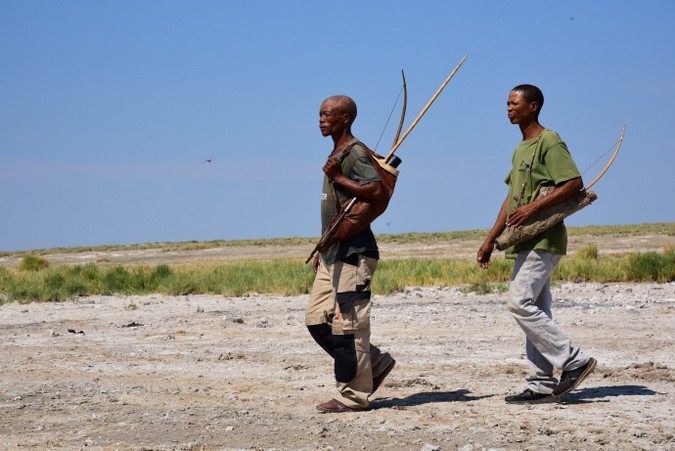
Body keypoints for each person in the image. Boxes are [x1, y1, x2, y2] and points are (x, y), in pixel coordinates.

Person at [477, 84, 597, 404]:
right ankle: (541, 383)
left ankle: (574, 360)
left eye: (514, 103)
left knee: (519, 303)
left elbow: (574, 183)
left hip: (544, 238)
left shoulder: (549, 140)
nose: (508, 108)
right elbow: (511, 197)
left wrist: (534, 207)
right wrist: (490, 239)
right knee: (537, 309)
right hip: (522, 241)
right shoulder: (520, 149)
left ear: (533, 106)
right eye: (506, 103)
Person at [306, 95, 396, 413]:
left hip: (355, 253)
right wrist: (323, 245)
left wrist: (338, 177)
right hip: (333, 252)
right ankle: (374, 362)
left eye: (328, 114)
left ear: (346, 119)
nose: (321, 119)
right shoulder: (337, 152)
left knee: (349, 325)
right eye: (319, 114)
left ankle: (353, 395)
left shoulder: (354, 152)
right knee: (317, 321)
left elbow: (375, 190)